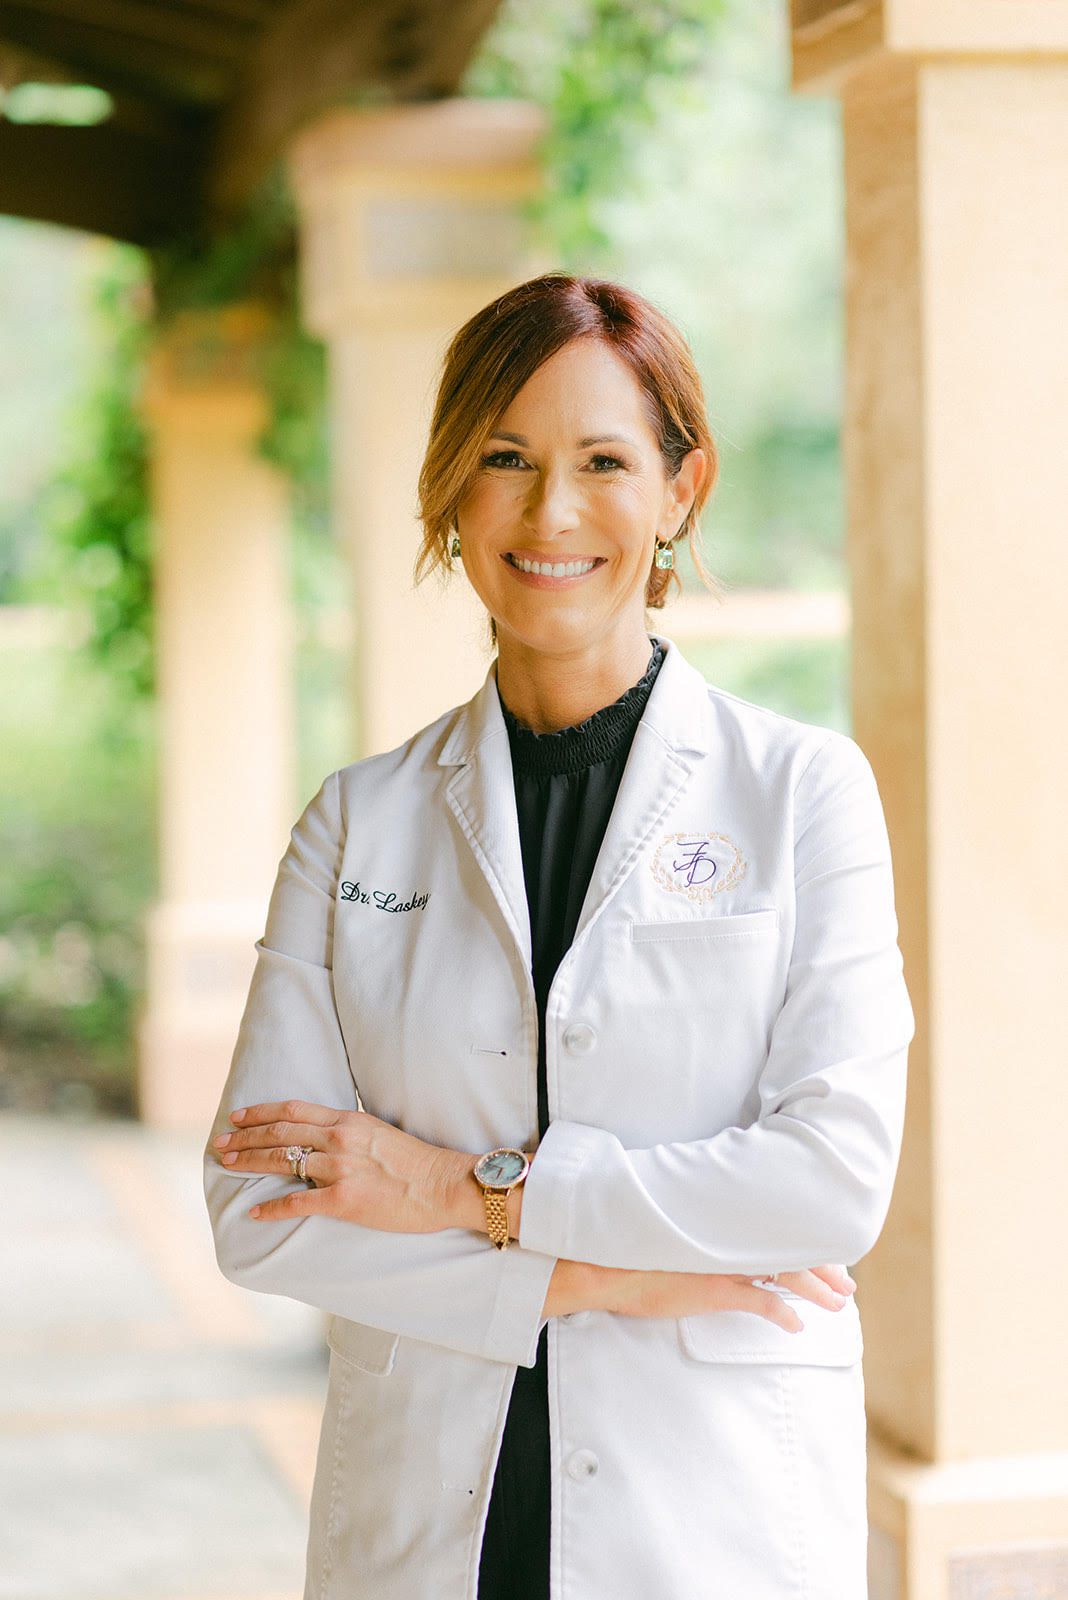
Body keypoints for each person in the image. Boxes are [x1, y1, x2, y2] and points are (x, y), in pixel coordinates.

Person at [203, 272, 915, 1600]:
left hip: (712, 1521)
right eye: (505, 459)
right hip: (428, 1525)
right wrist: (586, 1278)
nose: (552, 512)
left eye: (604, 461)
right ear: (449, 495)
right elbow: (262, 1209)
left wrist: (458, 1194)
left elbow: (828, 1183)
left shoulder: (803, 792)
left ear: (679, 491)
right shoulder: (359, 823)